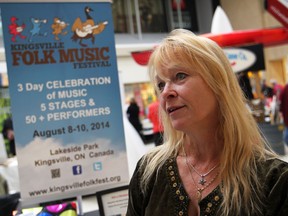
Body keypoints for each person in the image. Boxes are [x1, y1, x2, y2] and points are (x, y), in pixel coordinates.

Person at [126, 29, 288, 216]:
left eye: (180, 76)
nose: (165, 93)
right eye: (161, 84)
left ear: (218, 83)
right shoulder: (149, 171)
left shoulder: (274, 179)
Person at [279, 83, 288, 155]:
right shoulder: (285, 88)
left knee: (286, 137)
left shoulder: (285, 88)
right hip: (287, 119)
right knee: (286, 138)